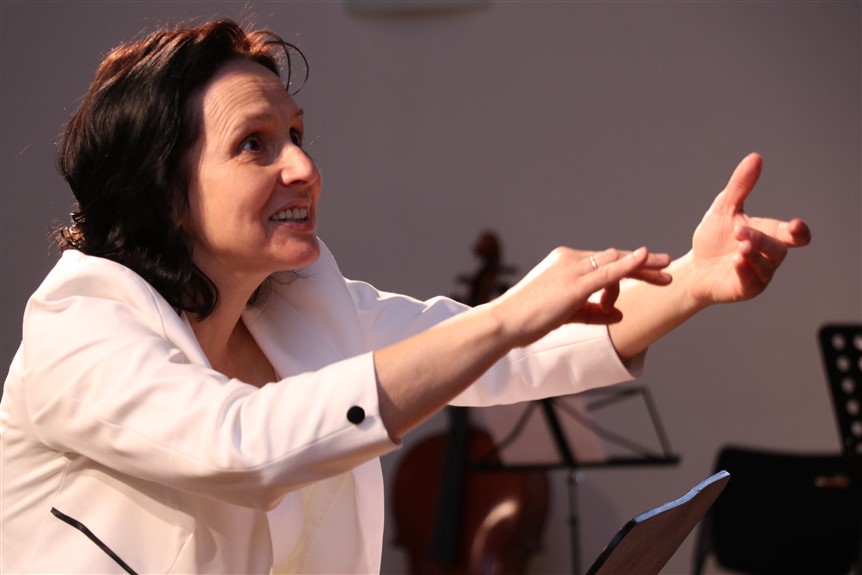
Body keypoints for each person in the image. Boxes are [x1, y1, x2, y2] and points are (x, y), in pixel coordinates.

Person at [0, 18, 810, 575]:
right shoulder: (80, 322)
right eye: (255, 145)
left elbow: (507, 354)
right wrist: (506, 315)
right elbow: (242, 447)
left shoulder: (298, 302)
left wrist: (694, 281)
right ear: (158, 186)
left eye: (297, 136)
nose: (303, 168)